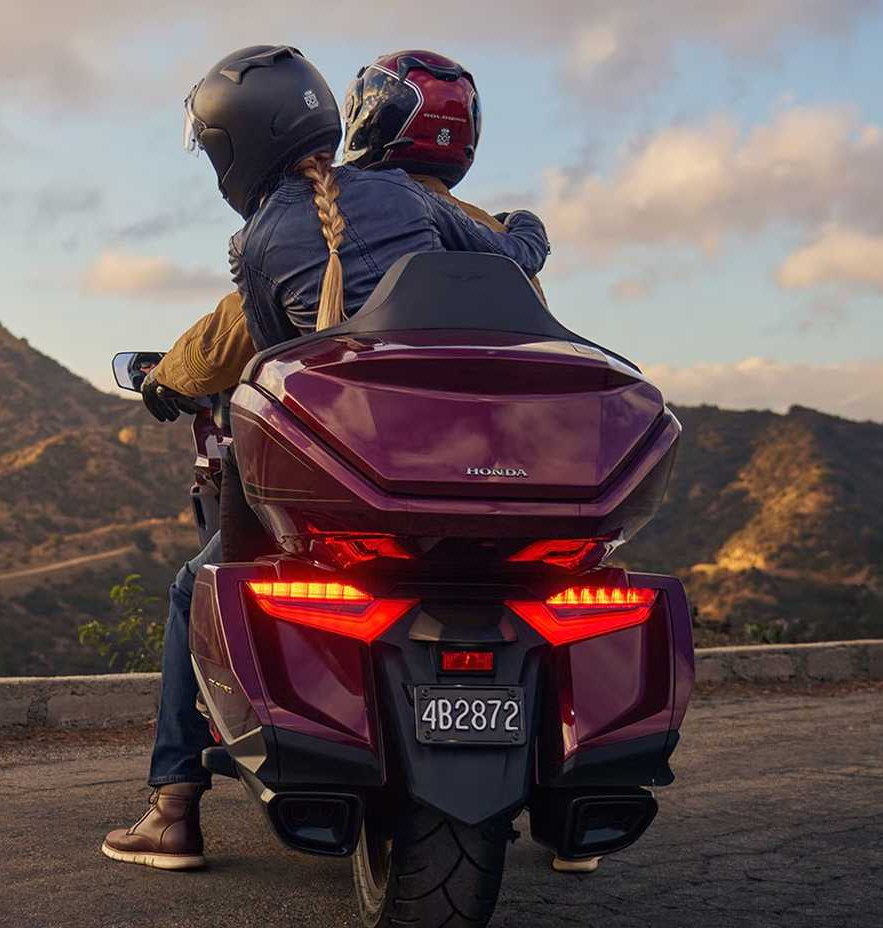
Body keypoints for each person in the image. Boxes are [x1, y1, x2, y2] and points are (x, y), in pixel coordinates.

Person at [103, 45, 550, 872]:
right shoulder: (416, 203)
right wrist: (528, 228)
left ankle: (173, 807)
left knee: (192, 588)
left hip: (351, 493)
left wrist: (167, 382)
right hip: (495, 480)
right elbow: (514, 265)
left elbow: (272, 370)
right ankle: (562, 820)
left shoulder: (258, 245)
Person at [142, 48, 543, 409]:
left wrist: (168, 376)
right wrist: (522, 220)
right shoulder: (460, 220)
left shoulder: (282, 234)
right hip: (495, 429)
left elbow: (251, 346)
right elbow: (522, 256)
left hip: (364, 428)